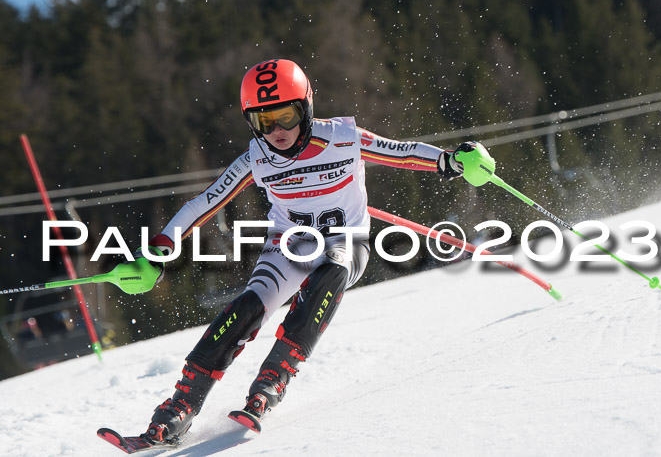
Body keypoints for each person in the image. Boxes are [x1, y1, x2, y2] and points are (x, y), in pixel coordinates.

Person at [130, 59, 475, 442]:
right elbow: (205, 202)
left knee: (331, 273)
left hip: (346, 240)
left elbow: (403, 151)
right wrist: (160, 247)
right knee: (248, 307)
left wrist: (450, 160)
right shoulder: (256, 159)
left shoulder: (344, 137)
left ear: (307, 107)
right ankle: (180, 406)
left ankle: (272, 379)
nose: (277, 131)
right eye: (264, 121)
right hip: (288, 244)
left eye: (286, 116)